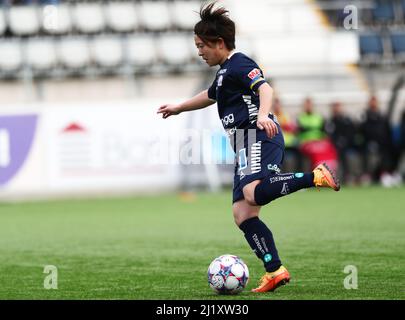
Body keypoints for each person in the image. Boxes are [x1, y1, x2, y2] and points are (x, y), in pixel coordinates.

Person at [157, 2, 340, 293]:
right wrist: (180, 107)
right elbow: (211, 95)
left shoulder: (240, 62)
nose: (199, 52)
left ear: (219, 43)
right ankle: (275, 270)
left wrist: (264, 115)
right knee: (242, 213)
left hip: (258, 136)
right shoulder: (224, 73)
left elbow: (265, 89)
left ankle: (315, 176)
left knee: (252, 193)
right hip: (244, 143)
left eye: (201, 45)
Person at [297, 97, 338, 172]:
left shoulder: (318, 116)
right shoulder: (300, 117)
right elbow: (298, 132)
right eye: (307, 105)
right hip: (306, 142)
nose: (308, 106)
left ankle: (330, 170)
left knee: (330, 148)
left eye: (309, 104)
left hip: (318, 141)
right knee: (316, 151)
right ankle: (319, 172)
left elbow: (324, 131)